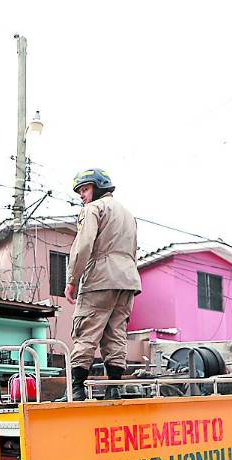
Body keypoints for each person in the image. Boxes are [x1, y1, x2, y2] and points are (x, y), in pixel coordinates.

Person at [65, 168, 139, 401]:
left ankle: (76, 390)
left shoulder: (93, 209)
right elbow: (133, 249)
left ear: (98, 188)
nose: (82, 195)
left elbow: (83, 246)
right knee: (116, 333)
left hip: (100, 278)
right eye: (80, 191)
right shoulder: (128, 214)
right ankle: (114, 388)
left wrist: (72, 280)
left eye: (85, 189)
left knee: (86, 330)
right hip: (127, 280)